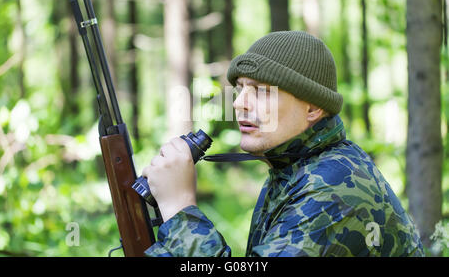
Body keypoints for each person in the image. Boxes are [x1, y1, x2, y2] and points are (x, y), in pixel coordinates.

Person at [142, 31, 424, 257]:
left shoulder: (334, 184)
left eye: (262, 91)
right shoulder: (293, 170)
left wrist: (180, 209)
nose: (240, 103)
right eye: (240, 89)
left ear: (312, 108)